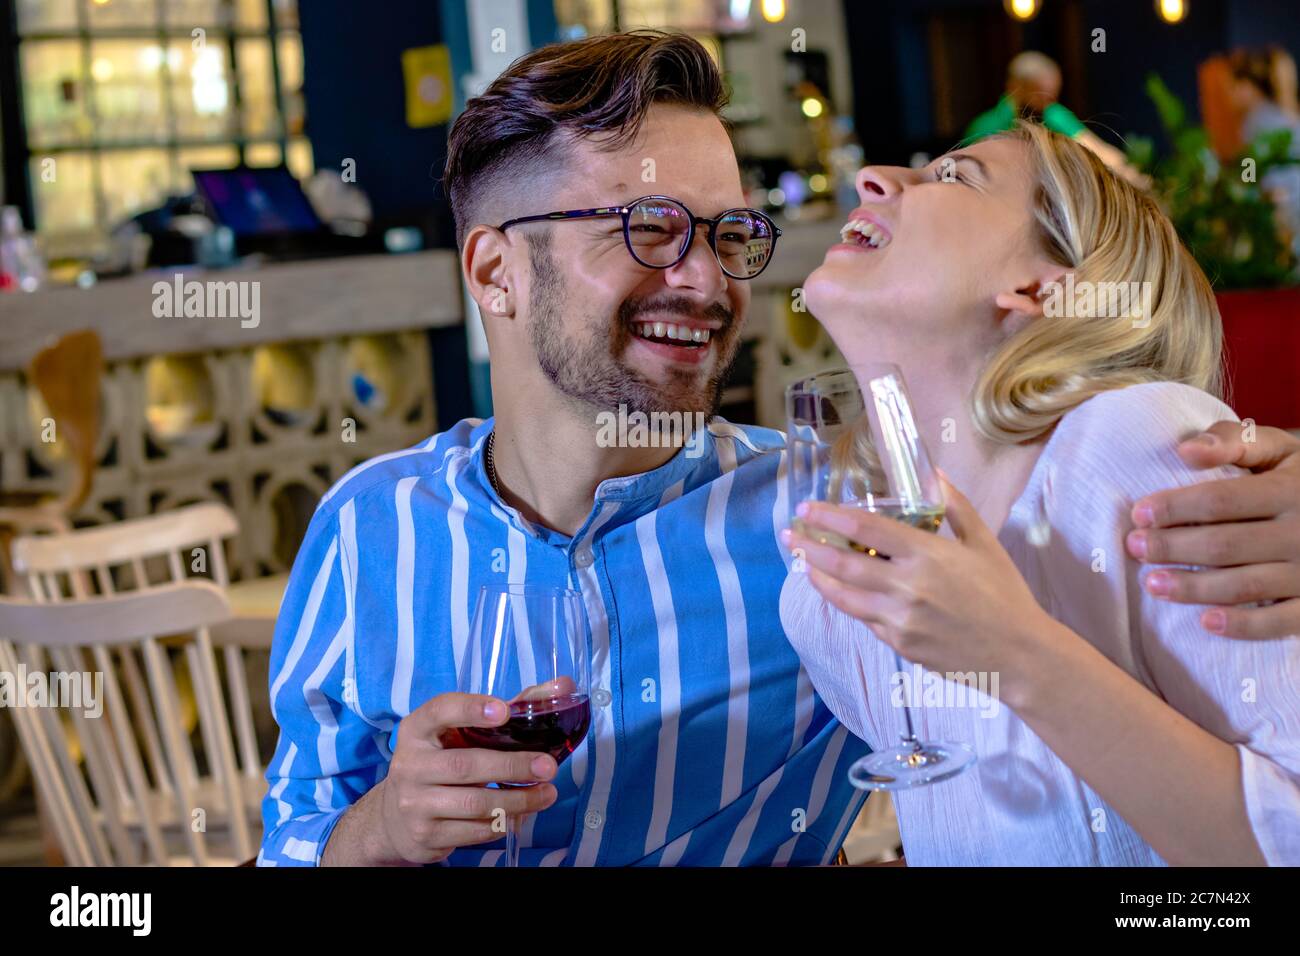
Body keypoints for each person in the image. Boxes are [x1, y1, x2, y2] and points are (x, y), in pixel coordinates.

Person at [259, 32, 1300, 867]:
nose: (710, 283)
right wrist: (381, 831)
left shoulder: (823, 525)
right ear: (495, 272)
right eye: (650, 226)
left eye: (728, 235)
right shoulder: (366, 526)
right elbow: (295, 837)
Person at [781, 121, 1300, 865]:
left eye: (955, 176)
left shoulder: (1140, 445)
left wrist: (1017, 654)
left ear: (1038, 285)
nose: (877, 179)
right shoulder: (831, 593)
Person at [965, 51, 1149, 187]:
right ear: (1016, 87)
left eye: (1053, 96)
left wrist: (1132, 174)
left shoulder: (1052, 114)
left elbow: (1095, 148)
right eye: (1041, 96)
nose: (1048, 104)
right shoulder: (984, 127)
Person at [1230, 46, 1300, 257]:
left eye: (1237, 86)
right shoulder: (1282, 115)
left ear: (1253, 87)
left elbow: (1249, 171)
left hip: (1284, 206)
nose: (1233, 94)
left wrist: (1244, 193)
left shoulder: (1255, 121)